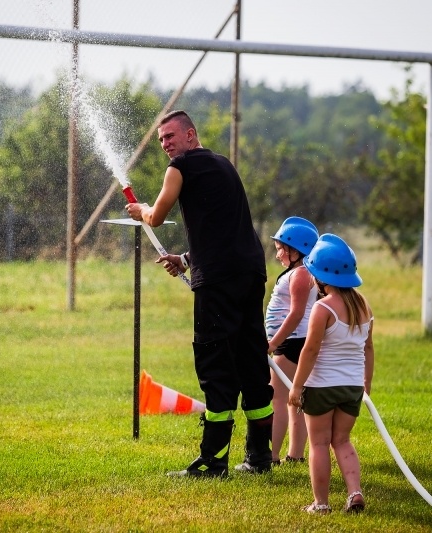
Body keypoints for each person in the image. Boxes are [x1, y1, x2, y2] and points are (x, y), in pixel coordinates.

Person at [125, 110, 273, 477]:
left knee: (215, 364)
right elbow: (225, 230)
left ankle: (213, 462)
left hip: (219, 282)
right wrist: (188, 259)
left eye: (171, 136)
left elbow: (156, 216)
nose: (166, 144)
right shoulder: (224, 165)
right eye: (161, 140)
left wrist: (139, 209)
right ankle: (259, 458)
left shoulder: (180, 168)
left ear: (191, 135)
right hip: (250, 273)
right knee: (252, 363)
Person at [288, 234, 374, 514]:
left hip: (322, 387)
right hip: (351, 387)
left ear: (321, 276)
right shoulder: (364, 306)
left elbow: (310, 351)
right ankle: (355, 492)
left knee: (320, 444)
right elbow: (368, 348)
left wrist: (297, 387)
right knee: (343, 441)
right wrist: (366, 385)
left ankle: (321, 504)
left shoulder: (322, 308)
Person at [265, 216, 319, 465]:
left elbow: (296, 314)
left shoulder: (299, 275)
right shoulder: (304, 273)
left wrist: (273, 343)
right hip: (299, 341)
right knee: (294, 400)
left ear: (295, 250)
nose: (278, 256)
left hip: (291, 342)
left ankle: (271, 456)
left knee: (277, 398)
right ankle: (295, 454)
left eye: (280, 250)